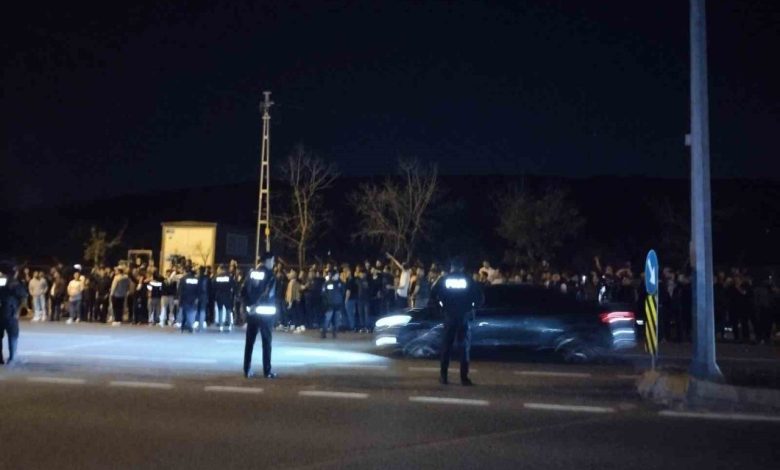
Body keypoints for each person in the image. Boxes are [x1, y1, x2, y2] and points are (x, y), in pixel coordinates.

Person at [429, 258, 483, 386]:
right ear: (462, 268)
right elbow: (480, 297)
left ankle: (444, 377)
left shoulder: (444, 279)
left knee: (446, 347)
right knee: (464, 348)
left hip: (449, 316)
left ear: (452, 267)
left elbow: (433, 295)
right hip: (463, 317)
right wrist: (472, 308)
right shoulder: (468, 280)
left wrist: (441, 309)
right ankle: (464, 378)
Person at [241, 252, 278, 379]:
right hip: (265, 314)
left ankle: (246, 370)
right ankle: (267, 371)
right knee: (266, 343)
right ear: (268, 260)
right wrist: (257, 304)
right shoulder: (270, 275)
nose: (273, 263)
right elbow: (268, 294)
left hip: (252, 314)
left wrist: (249, 306)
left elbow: (243, 291)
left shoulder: (251, 273)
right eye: (273, 260)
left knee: (249, 342)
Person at [0, 262, 28, 366]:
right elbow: (23, 297)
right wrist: (18, 312)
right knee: (13, 335)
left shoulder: (1, 280)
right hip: (10, 312)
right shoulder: (14, 282)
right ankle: (12, 358)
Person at [321, 269, 345, 339]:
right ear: (333, 275)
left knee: (336, 320)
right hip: (330, 305)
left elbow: (343, 291)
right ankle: (324, 332)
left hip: (338, 304)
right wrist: (326, 302)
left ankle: (334, 333)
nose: (338, 276)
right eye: (337, 275)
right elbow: (324, 293)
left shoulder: (340, 283)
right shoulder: (327, 283)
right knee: (327, 319)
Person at [212, 265, 236, 332]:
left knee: (220, 310)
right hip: (227, 295)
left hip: (219, 295)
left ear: (221, 269)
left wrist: (214, 296)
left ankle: (220, 325)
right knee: (228, 310)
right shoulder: (229, 277)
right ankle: (229, 324)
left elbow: (213, 286)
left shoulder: (216, 277)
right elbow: (234, 286)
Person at [178, 267, 199, 333]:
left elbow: (180, 290)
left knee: (185, 312)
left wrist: (179, 299)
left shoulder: (183, 279)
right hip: (193, 297)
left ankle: (186, 326)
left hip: (185, 297)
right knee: (191, 312)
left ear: (186, 272)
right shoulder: (196, 279)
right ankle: (188, 325)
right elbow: (198, 289)